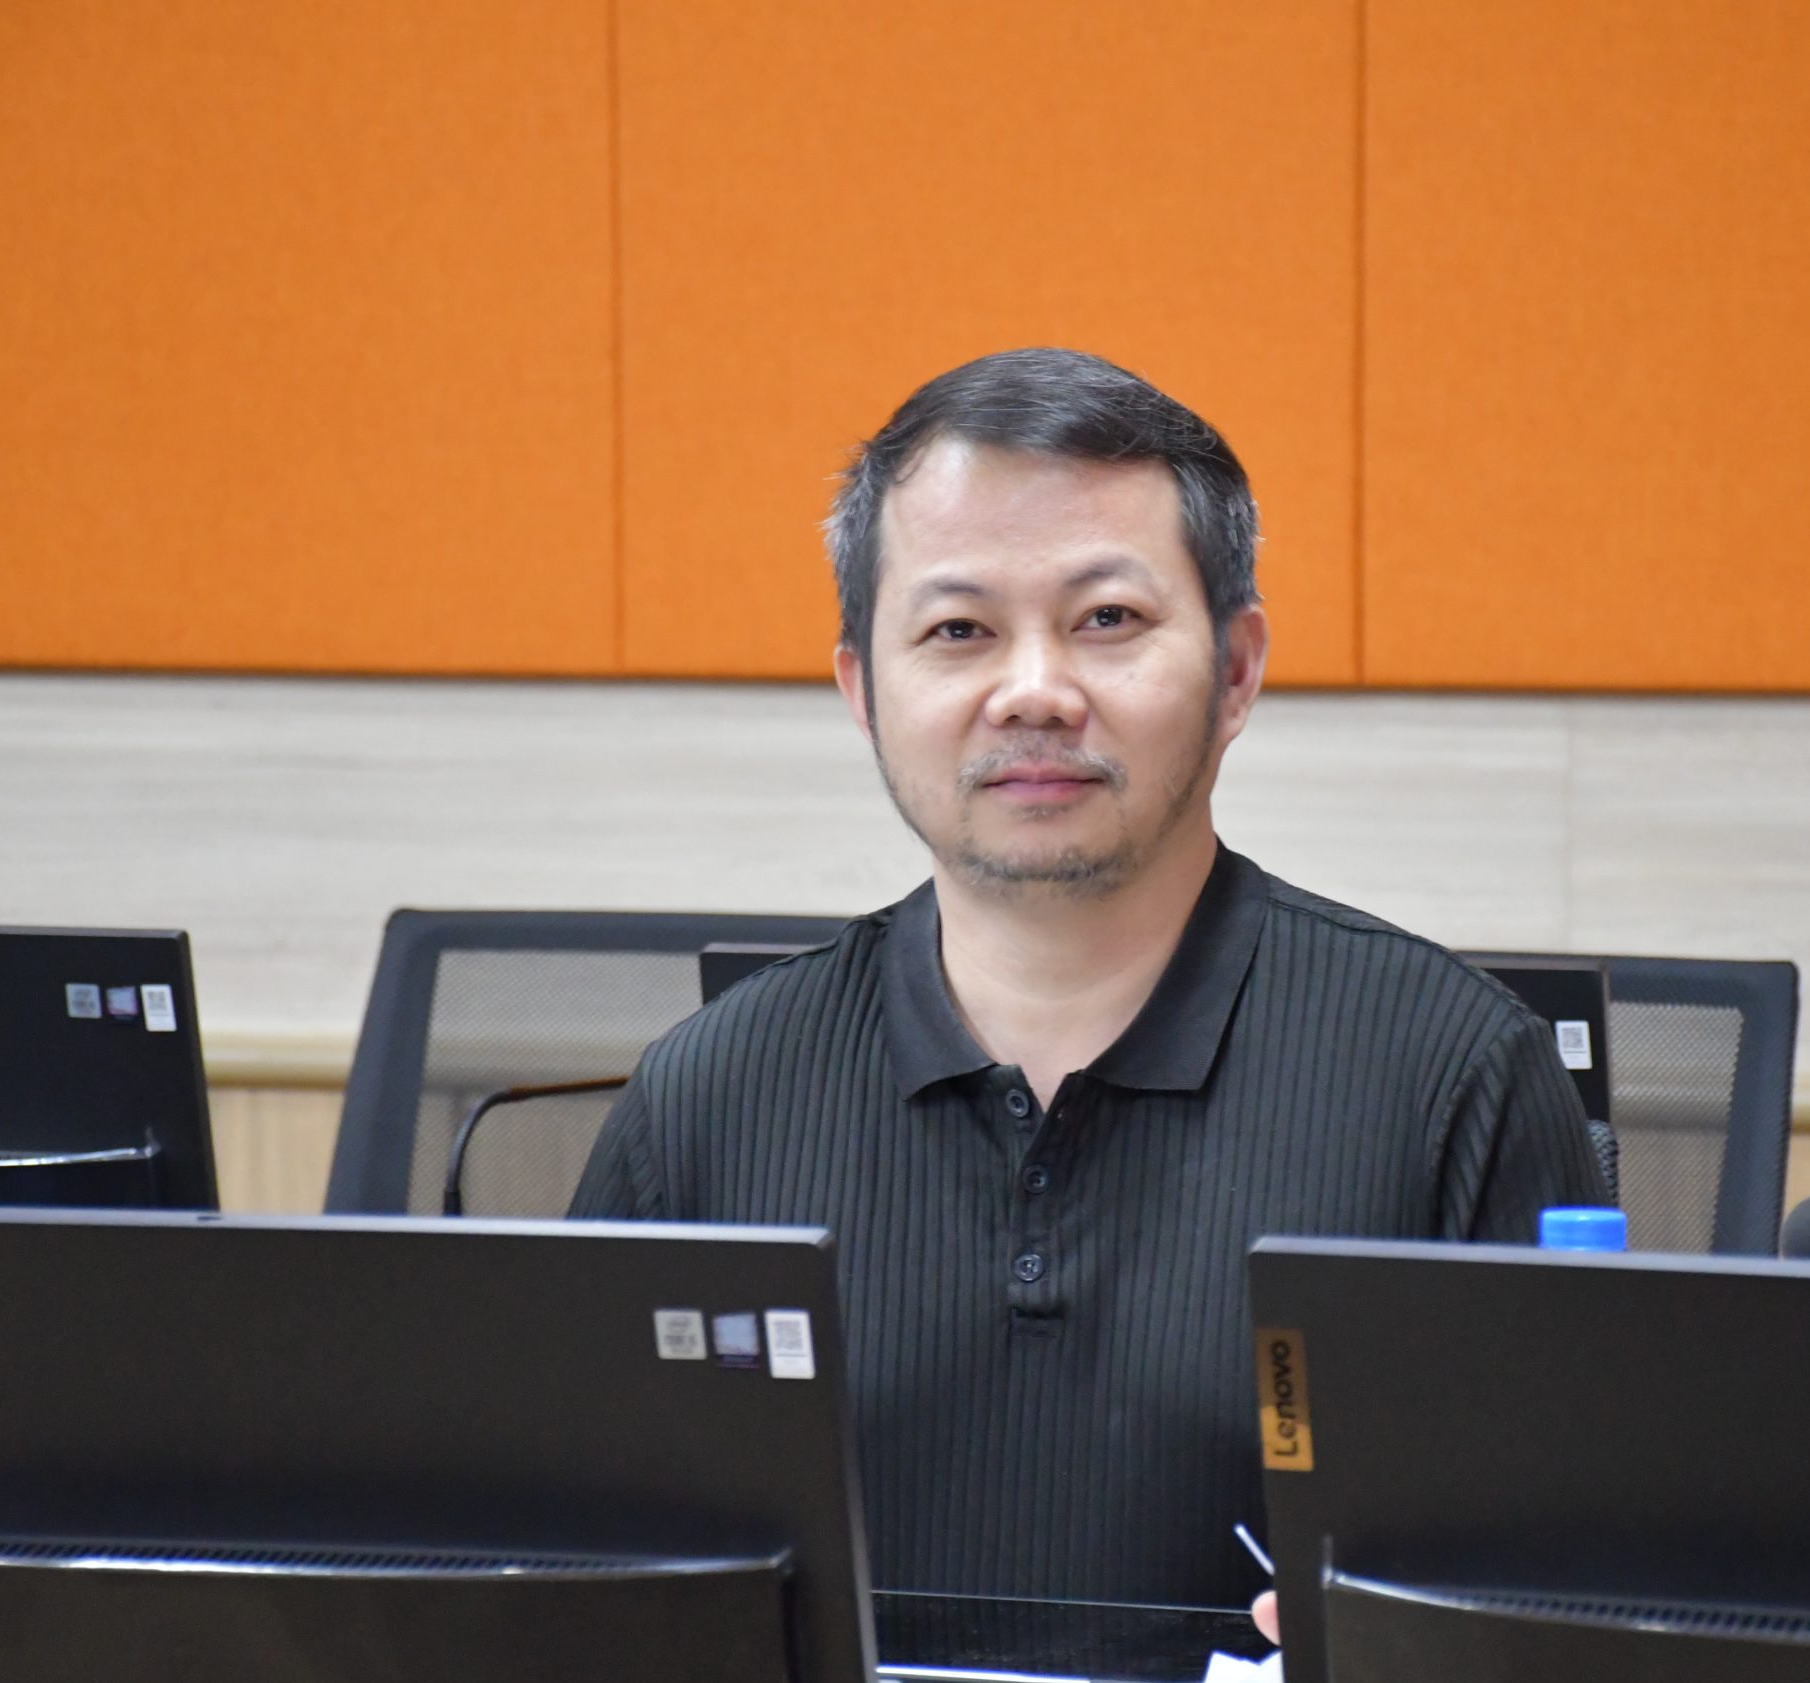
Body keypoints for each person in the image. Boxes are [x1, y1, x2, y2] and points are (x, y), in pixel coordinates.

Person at [569, 347, 1607, 1612]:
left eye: (1106, 620)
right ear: (862, 691)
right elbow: (581, 1585)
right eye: (958, 631)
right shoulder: (708, 1096)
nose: (1034, 693)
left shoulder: (1452, 1079)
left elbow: (1575, 1611)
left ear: (1236, 670)